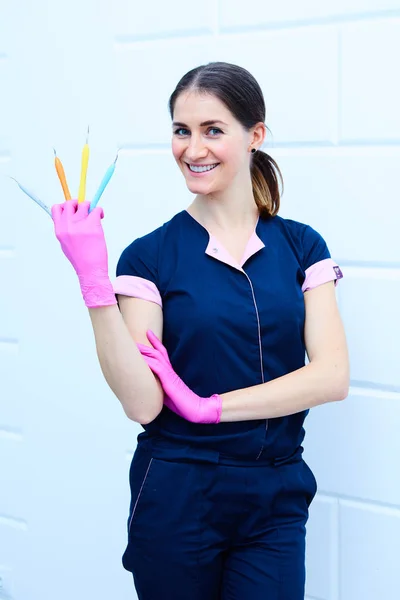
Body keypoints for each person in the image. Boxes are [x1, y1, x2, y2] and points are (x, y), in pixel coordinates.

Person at [51, 62, 349, 600]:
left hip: (275, 494)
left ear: (255, 135)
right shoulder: (150, 256)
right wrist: (94, 283)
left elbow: (331, 376)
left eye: (213, 130)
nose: (193, 149)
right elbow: (143, 403)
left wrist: (208, 406)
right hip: (180, 490)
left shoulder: (302, 247)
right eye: (181, 130)